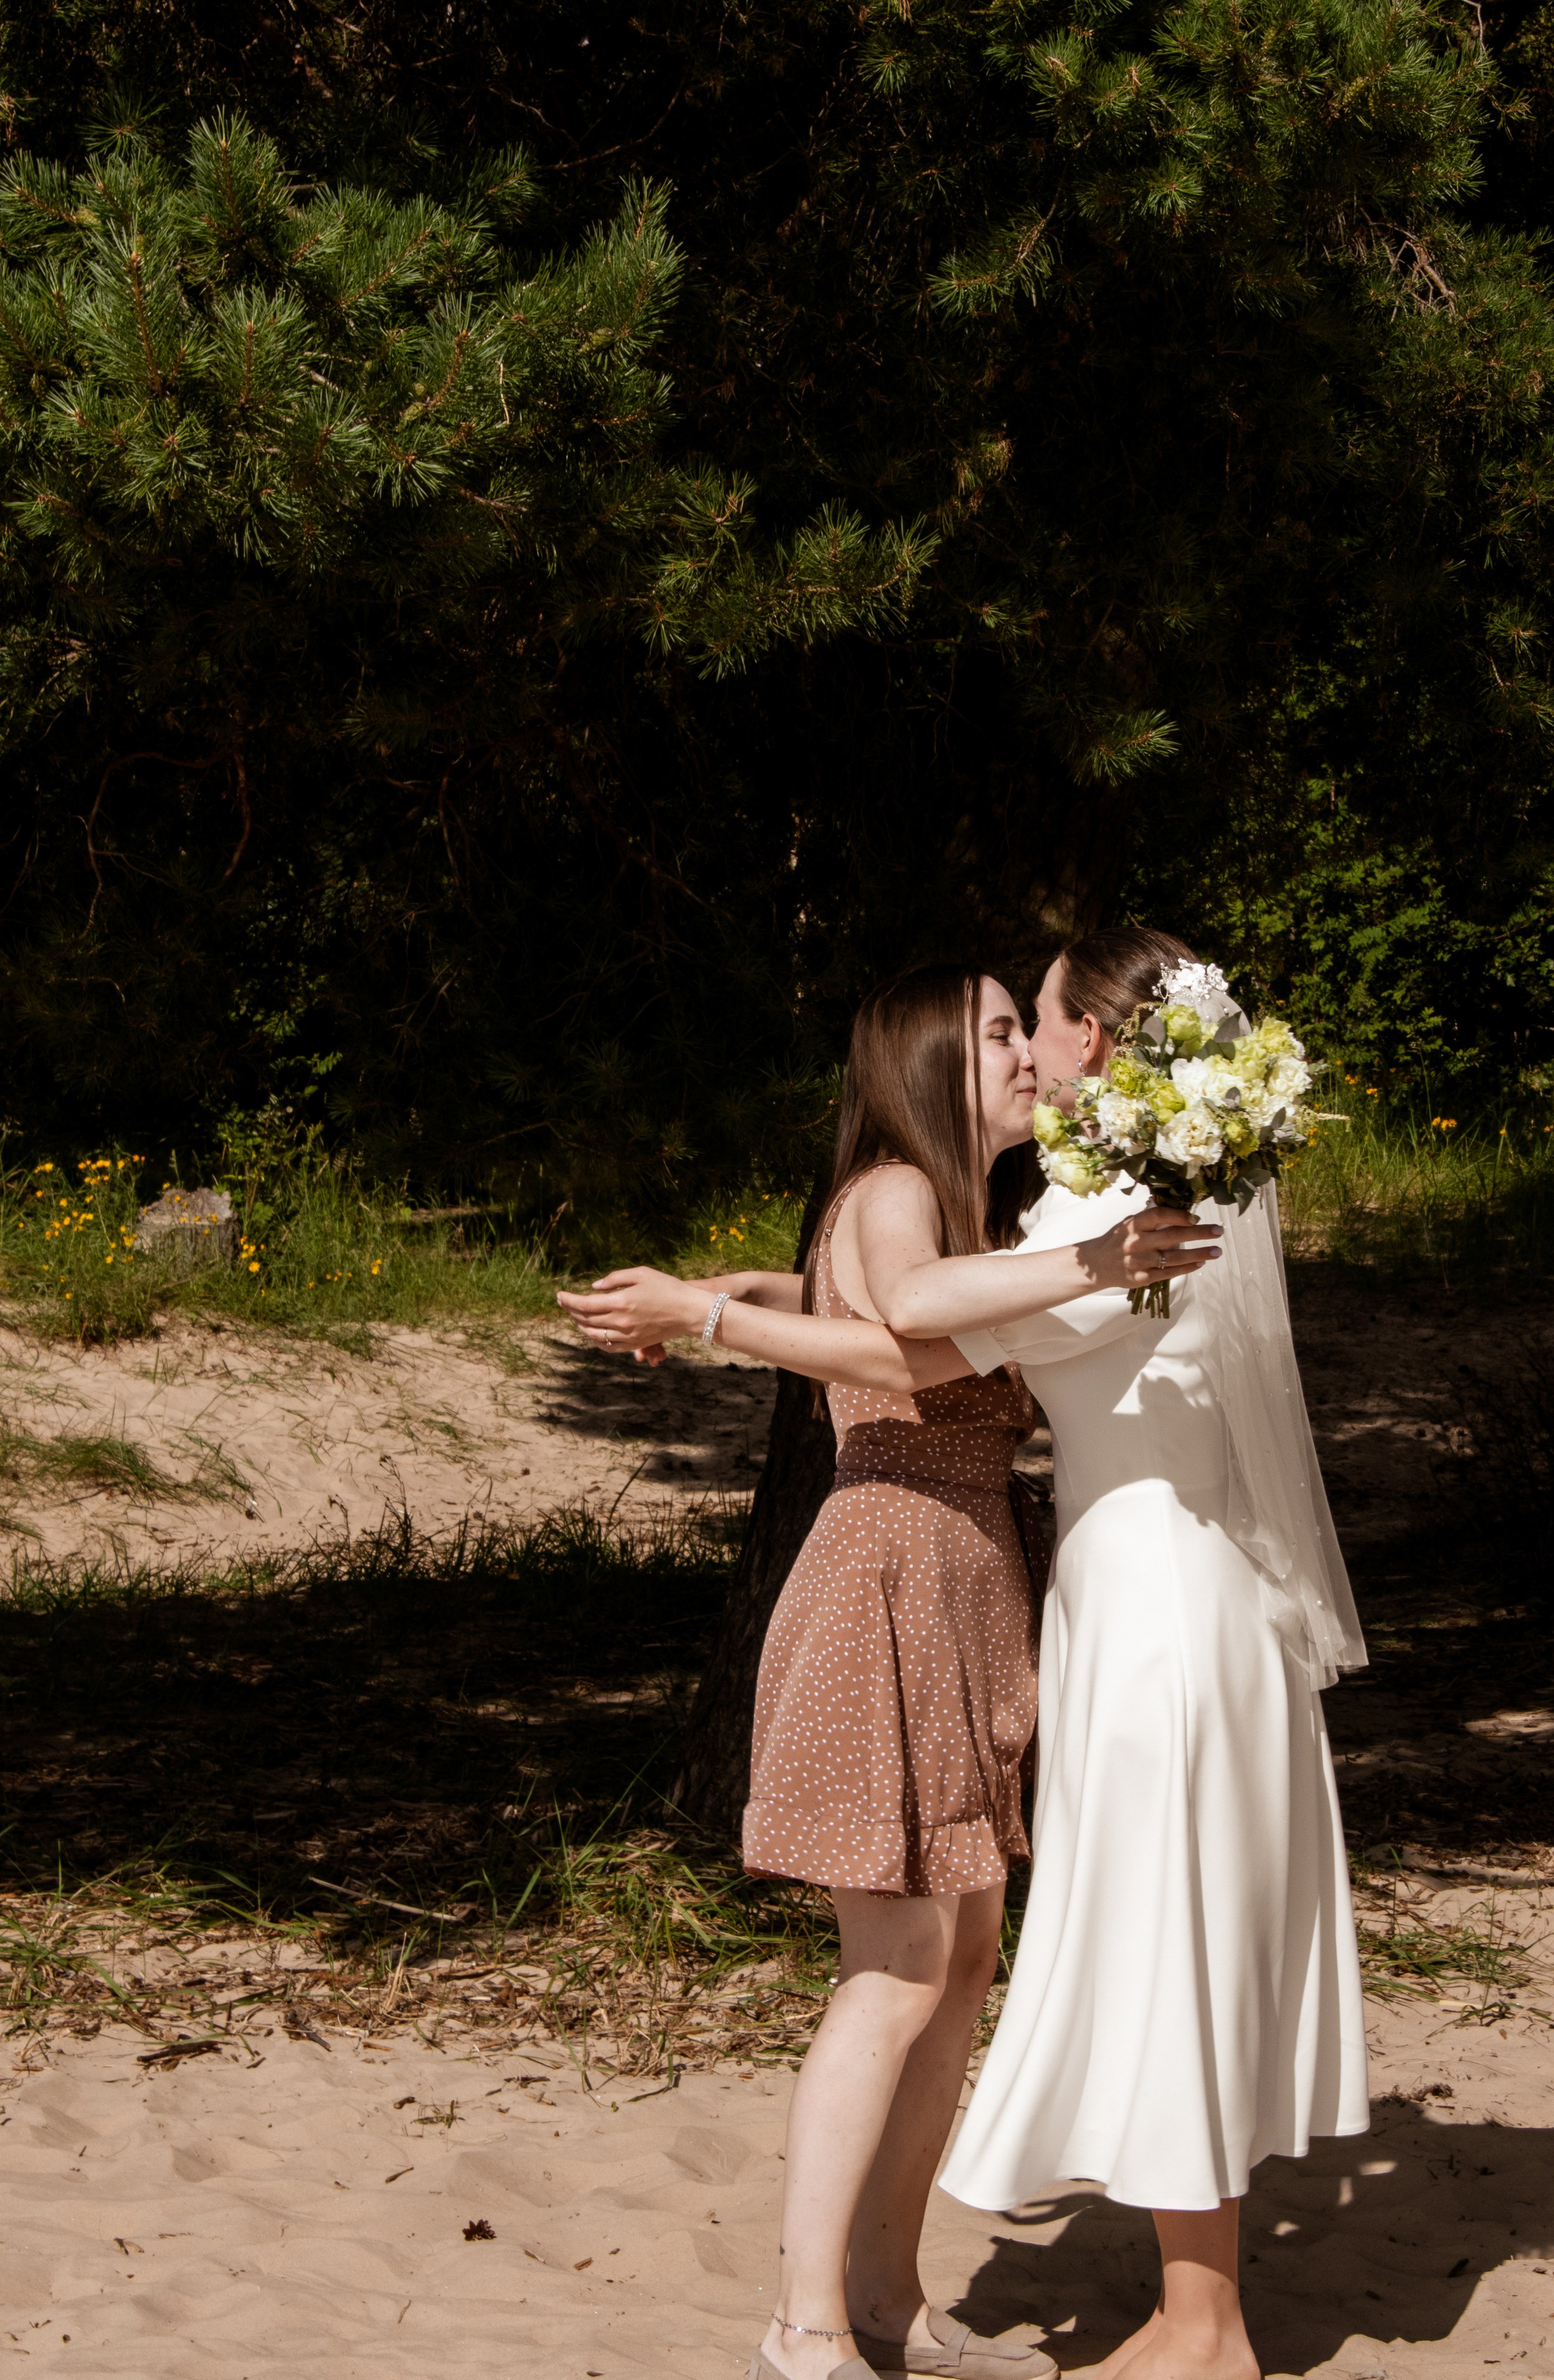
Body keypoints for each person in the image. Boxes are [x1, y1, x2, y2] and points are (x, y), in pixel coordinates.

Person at [566, 927, 1369, 2380]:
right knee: (899, 1967)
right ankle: (815, 2320)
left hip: (993, 1592)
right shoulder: (955, 1202)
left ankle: (888, 2299)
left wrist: (729, 1300)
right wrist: (710, 1312)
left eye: (1029, 1023)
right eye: (996, 1032)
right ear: (940, 1061)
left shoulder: (1016, 1209)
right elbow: (906, 1335)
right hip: (902, 1585)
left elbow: (913, 1296)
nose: (1021, 1051)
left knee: (963, 1956)